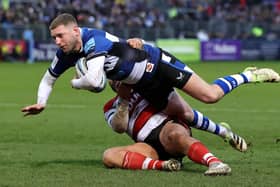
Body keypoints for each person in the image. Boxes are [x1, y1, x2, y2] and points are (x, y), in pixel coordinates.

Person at [21, 13, 277, 152]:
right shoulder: (67, 53)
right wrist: (41, 102)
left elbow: (96, 83)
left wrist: (75, 84)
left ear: (75, 30)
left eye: (59, 36)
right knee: (185, 114)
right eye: (54, 37)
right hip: (141, 84)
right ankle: (225, 132)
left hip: (157, 64)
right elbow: (48, 79)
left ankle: (248, 75)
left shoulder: (93, 41)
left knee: (210, 95)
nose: (56, 42)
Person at [103, 80, 232, 175]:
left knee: (174, 135)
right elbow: (119, 128)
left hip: (167, 126)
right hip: (148, 145)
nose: (115, 80)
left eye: (118, 76)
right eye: (112, 78)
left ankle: (215, 162)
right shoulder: (110, 107)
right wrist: (123, 101)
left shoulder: (144, 83)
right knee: (109, 156)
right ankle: (163, 165)